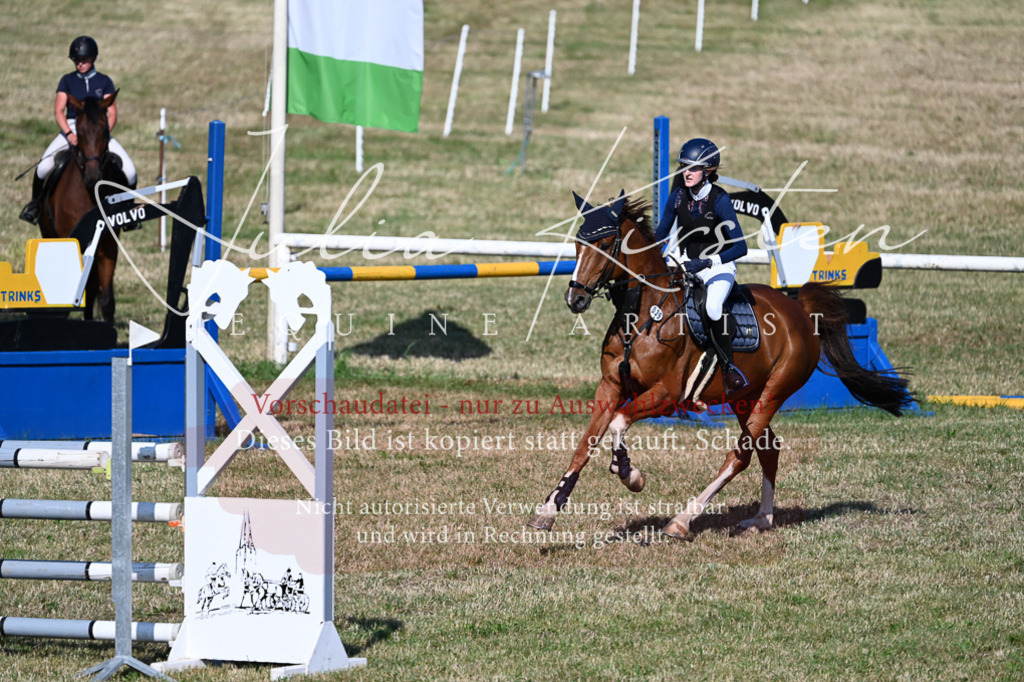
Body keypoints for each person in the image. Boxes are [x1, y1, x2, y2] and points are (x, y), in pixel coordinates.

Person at [654, 137, 749, 394]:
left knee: (712, 306)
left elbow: (741, 247)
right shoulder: (677, 198)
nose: (687, 172)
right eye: (685, 166)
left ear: (707, 171)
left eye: (693, 168)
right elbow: (660, 234)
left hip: (718, 267)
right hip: (686, 263)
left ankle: (729, 368)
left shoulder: (720, 200)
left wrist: (707, 262)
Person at [20, 35, 137, 225]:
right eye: (76, 60)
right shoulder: (67, 81)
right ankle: (35, 207)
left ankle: (128, 213)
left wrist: (103, 134)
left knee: (130, 171)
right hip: (73, 126)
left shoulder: (104, 81)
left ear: (93, 58)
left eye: (84, 60)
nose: (80, 64)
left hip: (98, 131)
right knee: (43, 167)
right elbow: (59, 111)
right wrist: (69, 134)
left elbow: (112, 112)